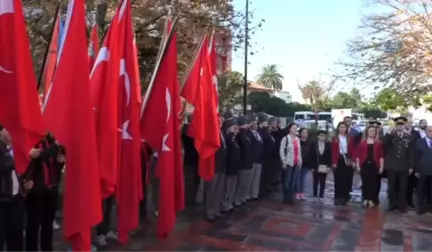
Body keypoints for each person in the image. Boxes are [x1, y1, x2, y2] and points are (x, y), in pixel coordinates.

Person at [24, 134, 65, 252]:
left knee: (48, 225)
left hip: (51, 189)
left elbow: (53, 165)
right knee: (33, 226)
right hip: (36, 191)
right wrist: (56, 145)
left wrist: (59, 162)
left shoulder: (50, 141)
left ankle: (47, 249)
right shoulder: (33, 142)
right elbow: (42, 156)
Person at [0, 125, 28, 252]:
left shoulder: (15, 148)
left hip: (16, 201)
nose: (12, 132)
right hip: (2, 203)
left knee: (16, 240)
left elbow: (20, 173)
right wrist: (24, 157)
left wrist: (25, 184)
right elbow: (5, 165)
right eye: (8, 128)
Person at [383, 116, 414, 212]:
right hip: (392, 166)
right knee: (391, 187)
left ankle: (401, 205)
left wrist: (411, 166)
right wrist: (388, 134)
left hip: (404, 166)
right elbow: (383, 145)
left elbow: (411, 153)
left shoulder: (410, 137)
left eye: (402, 124)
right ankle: (392, 204)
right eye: (398, 124)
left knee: (403, 187)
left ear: (405, 125)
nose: (400, 126)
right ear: (395, 125)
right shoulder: (390, 136)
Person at [355, 126, 384, 208]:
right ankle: (365, 199)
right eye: (370, 131)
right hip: (364, 165)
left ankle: (371, 199)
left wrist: (381, 166)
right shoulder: (362, 142)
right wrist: (358, 165)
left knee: (373, 183)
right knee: (365, 183)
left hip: (374, 165)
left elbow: (381, 156)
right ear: (367, 132)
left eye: (374, 131)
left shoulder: (378, 143)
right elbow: (358, 155)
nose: (372, 132)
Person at [204, 125, 227, 221]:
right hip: (214, 166)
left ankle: (216, 209)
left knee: (219, 189)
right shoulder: (211, 133)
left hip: (221, 166)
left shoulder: (222, 132)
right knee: (211, 190)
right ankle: (210, 212)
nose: (220, 122)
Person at [331, 122, 355, 206]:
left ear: (346, 128)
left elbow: (352, 150)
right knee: (338, 180)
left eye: (344, 127)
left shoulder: (350, 138)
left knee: (346, 179)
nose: (342, 128)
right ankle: (338, 197)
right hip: (338, 159)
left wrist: (353, 161)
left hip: (347, 159)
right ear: (338, 128)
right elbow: (333, 151)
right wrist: (334, 162)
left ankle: (345, 197)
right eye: (340, 127)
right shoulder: (334, 138)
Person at [279, 123, 302, 205]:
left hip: (296, 162)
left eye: (296, 128)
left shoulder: (297, 139)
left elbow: (299, 151)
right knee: (287, 180)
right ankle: (286, 197)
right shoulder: (286, 138)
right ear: (289, 129)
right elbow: (281, 150)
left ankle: (291, 197)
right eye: (293, 128)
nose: (295, 129)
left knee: (293, 180)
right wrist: (283, 161)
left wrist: (300, 160)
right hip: (288, 162)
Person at [412, 125, 432, 215]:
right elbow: (416, 157)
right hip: (422, 171)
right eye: (429, 131)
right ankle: (420, 208)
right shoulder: (419, 142)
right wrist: (416, 170)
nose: (431, 132)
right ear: (426, 132)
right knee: (421, 190)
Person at [234, 116, 253, 206]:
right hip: (242, 162)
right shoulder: (240, 135)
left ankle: (242, 197)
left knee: (245, 183)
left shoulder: (246, 134)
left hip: (248, 161)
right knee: (240, 183)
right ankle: (237, 199)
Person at [222, 118, 240, 212]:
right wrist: (232, 134)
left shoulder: (234, 138)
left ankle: (230, 202)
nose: (235, 128)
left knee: (233, 185)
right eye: (233, 126)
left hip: (235, 165)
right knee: (228, 186)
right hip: (229, 165)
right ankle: (225, 203)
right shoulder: (228, 137)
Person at [308, 130, 331, 203]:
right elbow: (310, 155)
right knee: (315, 181)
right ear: (317, 136)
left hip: (324, 165)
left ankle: (321, 195)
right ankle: (315, 196)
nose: (322, 137)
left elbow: (330, 156)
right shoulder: (314, 144)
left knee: (323, 181)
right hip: (315, 165)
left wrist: (329, 166)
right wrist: (311, 166)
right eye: (320, 135)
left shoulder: (328, 145)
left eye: (323, 135)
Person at [182, 115, 199, 206]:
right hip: (189, 160)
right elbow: (190, 138)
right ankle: (186, 200)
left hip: (197, 159)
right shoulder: (186, 128)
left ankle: (193, 198)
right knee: (189, 181)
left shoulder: (196, 128)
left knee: (196, 180)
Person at [260, 117, 279, 195]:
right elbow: (264, 137)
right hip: (265, 157)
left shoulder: (272, 134)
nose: (271, 128)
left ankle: (267, 186)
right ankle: (262, 189)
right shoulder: (264, 133)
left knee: (269, 173)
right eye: (270, 126)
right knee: (264, 174)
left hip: (271, 157)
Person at [405, 116, 421, 208]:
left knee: (410, 183)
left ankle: (409, 201)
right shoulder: (399, 132)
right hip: (401, 161)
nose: (409, 124)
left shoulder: (416, 133)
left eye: (410, 122)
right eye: (407, 122)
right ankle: (400, 201)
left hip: (412, 161)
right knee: (401, 183)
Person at [248, 115, 264, 200]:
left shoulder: (259, 133)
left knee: (256, 178)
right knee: (251, 178)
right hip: (252, 158)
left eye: (256, 123)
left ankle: (254, 194)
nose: (256, 125)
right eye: (254, 123)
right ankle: (248, 194)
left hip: (259, 158)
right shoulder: (249, 134)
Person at [296, 128, 311, 201]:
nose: (305, 134)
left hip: (306, 163)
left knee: (303, 179)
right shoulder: (297, 141)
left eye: (306, 132)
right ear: (300, 133)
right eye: (303, 132)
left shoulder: (310, 142)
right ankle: (297, 193)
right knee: (298, 178)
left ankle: (301, 193)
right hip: (298, 162)